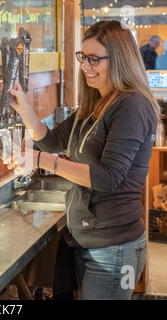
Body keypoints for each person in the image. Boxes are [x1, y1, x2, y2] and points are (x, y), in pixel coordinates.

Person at [9, 20, 159, 300]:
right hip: (91, 243)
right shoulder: (95, 103)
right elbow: (52, 141)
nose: (85, 66)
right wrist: (24, 107)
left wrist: (39, 160)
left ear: (121, 60)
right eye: (82, 57)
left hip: (114, 250)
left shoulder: (132, 106)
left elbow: (108, 177)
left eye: (94, 59)